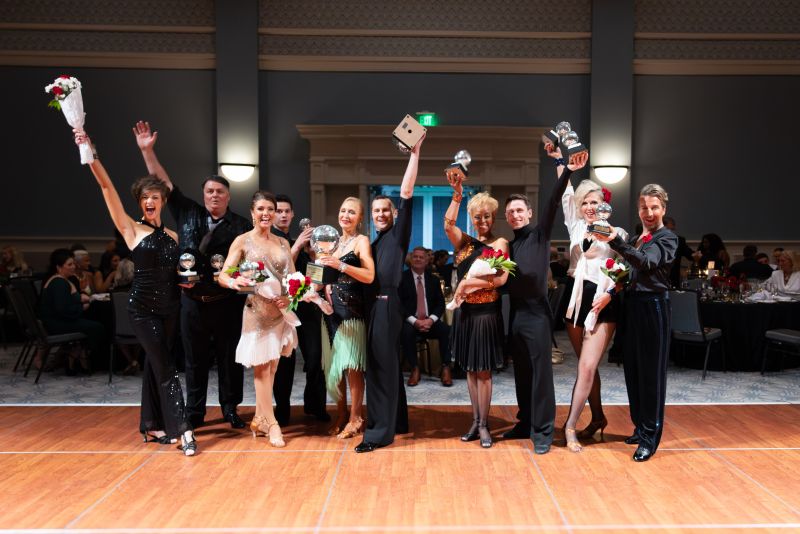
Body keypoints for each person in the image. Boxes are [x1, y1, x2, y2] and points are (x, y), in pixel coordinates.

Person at [76, 128, 196, 456]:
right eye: (144, 198)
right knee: (166, 367)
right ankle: (183, 429)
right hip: (142, 308)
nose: (149, 202)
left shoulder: (173, 234)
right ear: (140, 203)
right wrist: (91, 153)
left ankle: (152, 424)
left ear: (162, 201)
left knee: (158, 363)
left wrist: (187, 281)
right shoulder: (131, 229)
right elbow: (106, 186)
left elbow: (182, 274)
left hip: (171, 308)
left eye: (155, 197)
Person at [134, 120, 251, 430]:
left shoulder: (240, 226)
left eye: (220, 192)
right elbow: (162, 183)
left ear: (228, 196)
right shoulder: (188, 212)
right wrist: (148, 151)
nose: (214, 195)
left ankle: (230, 409)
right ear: (204, 195)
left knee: (229, 360)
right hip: (191, 301)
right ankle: (195, 413)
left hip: (226, 302)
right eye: (210, 191)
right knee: (194, 361)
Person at [503, 147, 588, 455]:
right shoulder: (509, 246)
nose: (514, 214)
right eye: (510, 212)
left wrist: (563, 167)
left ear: (528, 214)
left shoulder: (539, 235)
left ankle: (543, 431)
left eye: (519, 211)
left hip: (538, 316)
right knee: (522, 374)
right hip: (517, 316)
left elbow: (554, 200)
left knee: (541, 377)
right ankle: (526, 422)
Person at [594, 183, 678, 462]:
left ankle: (650, 438)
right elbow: (629, 273)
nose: (649, 212)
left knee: (651, 375)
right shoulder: (640, 238)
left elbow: (645, 264)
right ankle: (641, 427)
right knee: (633, 371)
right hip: (632, 307)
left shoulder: (667, 238)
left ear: (663, 209)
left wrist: (614, 240)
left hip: (653, 308)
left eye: (654, 207)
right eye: (644, 207)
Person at [355, 136, 424, 454]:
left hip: (386, 305)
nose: (381, 214)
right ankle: (397, 422)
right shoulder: (374, 241)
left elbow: (407, 192)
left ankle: (378, 433)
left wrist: (415, 154)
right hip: (375, 307)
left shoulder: (397, 234)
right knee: (388, 367)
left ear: (394, 213)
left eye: (386, 209)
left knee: (380, 370)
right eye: (376, 210)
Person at [218, 191, 301, 447]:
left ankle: (258, 419)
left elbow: (294, 279)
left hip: (279, 313)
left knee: (273, 368)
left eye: (271, 209)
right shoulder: (242, 241)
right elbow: (224, 275)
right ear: (253, 212)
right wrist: (235, 281)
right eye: (261, 209)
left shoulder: (283, 243)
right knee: (262, 368)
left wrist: (291, 298)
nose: (266, 214)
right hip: (255, 312)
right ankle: (273, 424)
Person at [558, 173, 628, 453]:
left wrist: (608, 296)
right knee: (587, 367)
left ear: (604, 206)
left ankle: (570, 425)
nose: (589, 207)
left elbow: (623, 271)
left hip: (602, 301)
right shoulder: (576, 227)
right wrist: (563, 164)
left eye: (594, 202)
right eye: (584, 202)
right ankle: (598, 417)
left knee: (586, 367)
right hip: (575, 298)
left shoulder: (617, 234)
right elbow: (565, 192)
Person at [445, 186, 510, 448]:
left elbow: (501, 279)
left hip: (486, 314)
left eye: (486, 216)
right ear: (471, 218)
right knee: (470, 370)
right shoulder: (463, 242)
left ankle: (484, 425)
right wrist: (457, 196)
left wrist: (468, 284)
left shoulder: (500, 243)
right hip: (466, 314)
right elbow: (448, 223)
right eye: (477, 216)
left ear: (493, 218)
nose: (482, 221)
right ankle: (475, 420)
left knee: (483, 372)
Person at [315, 197, 375, 439]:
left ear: (360, 218)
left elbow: (369, 275)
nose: (346, 215)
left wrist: (341, 265)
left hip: (351, 312)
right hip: (329, 314)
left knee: (352, 368)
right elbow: (319, 280)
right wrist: (308, 288)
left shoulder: (362, 241)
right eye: (342, 210)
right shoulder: (330, 243)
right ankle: (341, 414)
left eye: (352, 212)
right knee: (335, 368)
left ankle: (356, 417)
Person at [270, 194, 328, 423]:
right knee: (285, 363)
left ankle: (314, 405)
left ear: (292, 214)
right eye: (279, 211)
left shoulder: (301, 244)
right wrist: (296, 246)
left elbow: (316, 277)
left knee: (315, 358)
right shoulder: (270, 241)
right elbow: (279, 271)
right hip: (283, 310)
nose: (283, 215)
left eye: (287, 211)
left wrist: (313, 255)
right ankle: (282, 410)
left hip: (307, 309)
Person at [39, 248, 105, 374]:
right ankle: (78, 356)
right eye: (69, 264)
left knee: (92, 323)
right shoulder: (59, 283)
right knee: (97, 327)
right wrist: (82, 307)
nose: (73, 267)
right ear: (59, 267)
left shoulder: (61, 280)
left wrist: (79, 299)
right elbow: (62, 310)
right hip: (57, 324)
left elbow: (64, 302)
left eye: (73, 263)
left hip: (57, 320)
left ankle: (75, 356)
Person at [399, 246, 453, 387]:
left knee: (446, 330)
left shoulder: (433, 280)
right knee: (406, 331)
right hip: (411, 321)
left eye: (421, 257)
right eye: (415, 256)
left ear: (427, 261)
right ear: (411, 259)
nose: (417, 259)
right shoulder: (402, 279)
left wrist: (430, 320)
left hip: (430, 321)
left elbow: (440, 304)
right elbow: (399, 305)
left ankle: (446, 367)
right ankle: (415, 368)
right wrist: (415, 321)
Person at [663, 217, 694, 288]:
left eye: (673, 229)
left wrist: (698, 255)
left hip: (673, 279)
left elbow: (689, 254)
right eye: (670, 229)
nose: (673, 231)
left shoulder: (679, 241)